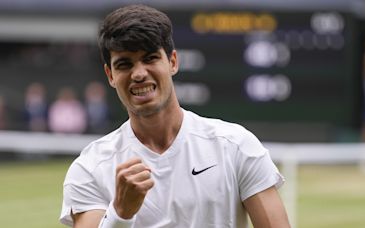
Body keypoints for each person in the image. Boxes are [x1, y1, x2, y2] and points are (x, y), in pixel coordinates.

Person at [60, 4, 290, 228]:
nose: (139, 73)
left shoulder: (235, 146)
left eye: (150, 58)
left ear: (172, 62)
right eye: (124, 64)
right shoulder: (90, 168)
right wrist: (121, 212)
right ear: (110, 75)